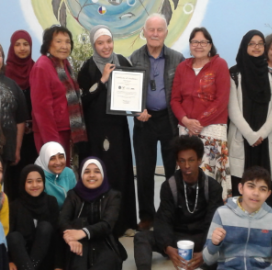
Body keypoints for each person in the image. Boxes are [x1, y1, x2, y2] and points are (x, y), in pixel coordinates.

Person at [77, 25, 137, 236]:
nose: (106, 46)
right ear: (94, 45)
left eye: (108, 42)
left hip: (118, 129)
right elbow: (83, 100)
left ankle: (126, 223)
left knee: (122, 172)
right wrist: (102, 80)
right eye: (100, 43)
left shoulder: (122, 61)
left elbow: (134, 92)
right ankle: (102, 224)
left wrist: (139, 109)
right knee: (102, 173)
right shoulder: (87, 68)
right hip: (96, 130)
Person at [134, 135, 224, 270]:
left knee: (224, 242)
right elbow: (163, 220)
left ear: (199, 160)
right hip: (176, 238)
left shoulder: (213, 187)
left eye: (191, 160)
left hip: (201, 237)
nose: (187, 165)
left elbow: (213, 223)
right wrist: (168, 248)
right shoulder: (169, 186)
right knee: (141, 237)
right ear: (177, 162)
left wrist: (206, 253)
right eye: (182, 161)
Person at [129, 13, 185, 231]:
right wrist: (136, 110)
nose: (154, 33)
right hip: (145, 121)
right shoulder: (134, 58)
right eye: (151, 29)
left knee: (173, 171)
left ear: (166, 33)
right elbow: (128, 90)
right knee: (144, 171)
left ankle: (170, 215)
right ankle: (147, 217)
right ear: (144, 32)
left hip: (169, 120)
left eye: (159, 30)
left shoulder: (177, 58)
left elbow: (181, 91)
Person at [171, 27, 231, 199]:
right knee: (188, 175)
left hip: (212, 129)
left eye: (203, 42)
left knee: (212, 179)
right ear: (190, 45)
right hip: (186, 130)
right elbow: (175, 100)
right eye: (195, 42)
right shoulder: (182, 67)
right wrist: (186, 121)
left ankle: (215, 220)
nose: (199, 45)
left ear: (210, 45)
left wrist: (198, 123)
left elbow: (221, 100)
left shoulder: (220, 65)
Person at [228, 30, 272, 202]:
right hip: (243, 138)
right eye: (252, 43)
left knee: (264, 181)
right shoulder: (234, 74)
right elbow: (233, 109)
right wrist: (251, 136)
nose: (256, 47)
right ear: (245, 46)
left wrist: (261, 134)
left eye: (260, 43)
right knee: (242, 181)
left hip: (264, 139)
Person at [203, 166, 272, 270]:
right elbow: (207, 259)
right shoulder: (222, 213)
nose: (256, 193)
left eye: (262, 189)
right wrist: (214, 243)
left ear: (268, 194)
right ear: (241, 188)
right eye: (251, 186)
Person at [30, 25, 87, 165]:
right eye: (59, 41)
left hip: (67, 132)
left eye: (67, 42)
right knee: (53, 176)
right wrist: (53, 144)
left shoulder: (65, 64)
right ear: (48, 44)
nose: (64, 46)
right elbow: (42, 110)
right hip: (51, 134)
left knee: (64, 177)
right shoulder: (42, 66)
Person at [58, 157, 127, 270]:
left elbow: (107, 224)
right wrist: (70, 238)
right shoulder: (73, 195)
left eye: (96, 171)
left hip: (104, 243)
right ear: (81, 175)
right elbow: (62, 220)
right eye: (87, 171)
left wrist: (83, 232)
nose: (91, 175)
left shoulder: (113, 196)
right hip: (78, 244)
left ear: (103, 174)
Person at [0, 38, 28, 201]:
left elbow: (20, 119)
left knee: (1, 193)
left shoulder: (13, 85)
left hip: (5, 149)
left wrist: (16, 148)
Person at [5, 30, 39, 200]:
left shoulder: (36, 69)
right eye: (17, 44)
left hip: (33, 136)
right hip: (11, 136)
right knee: (13, 176)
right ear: (12, 47)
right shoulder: (4, 73)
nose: (22, 48)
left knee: (32, 175)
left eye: (25, 44)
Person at [7, 164, 59, 270]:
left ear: (43, 182)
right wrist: (9, 261)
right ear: (23, 183)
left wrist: (59, 265)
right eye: (29, 181)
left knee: (45, 227)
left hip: (46, 256)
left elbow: (57, 234)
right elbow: (8, 236)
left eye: (39, 181)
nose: (35, 185)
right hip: (22, 258)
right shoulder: (14, 206)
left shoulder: (51, 202)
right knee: (14, 236)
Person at [34, 141, 77, 208]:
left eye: (61, 157)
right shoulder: (38, 177)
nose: (58, 162)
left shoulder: (68, 172)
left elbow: (75, 199)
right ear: (45, 159)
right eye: (52, 158)